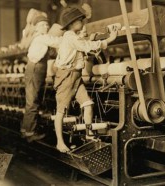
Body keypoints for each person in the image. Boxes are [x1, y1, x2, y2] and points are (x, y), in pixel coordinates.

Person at [54, 7, 120, 152]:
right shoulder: (70, 37)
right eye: (79, 21)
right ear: (71, 23)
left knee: (88, 104)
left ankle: (89, 134)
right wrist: (110, 39)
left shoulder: (73, 36)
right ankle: (60, 142)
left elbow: (85, 44)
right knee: (61, 111)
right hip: (67, 76)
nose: (83, 23)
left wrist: (93, 38)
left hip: (76, 76)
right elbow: (87, 46)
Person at [21, 13, 62, 142]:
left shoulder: (38, 37)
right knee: (33, 101)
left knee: (32, 101)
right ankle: (30, 133)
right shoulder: (41, 37)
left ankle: (25, 130)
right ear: (37, 28)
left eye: (47, 24)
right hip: (35, 69)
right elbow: (56, 42)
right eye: (43, 25)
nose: (46, 26)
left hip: (35, 69)